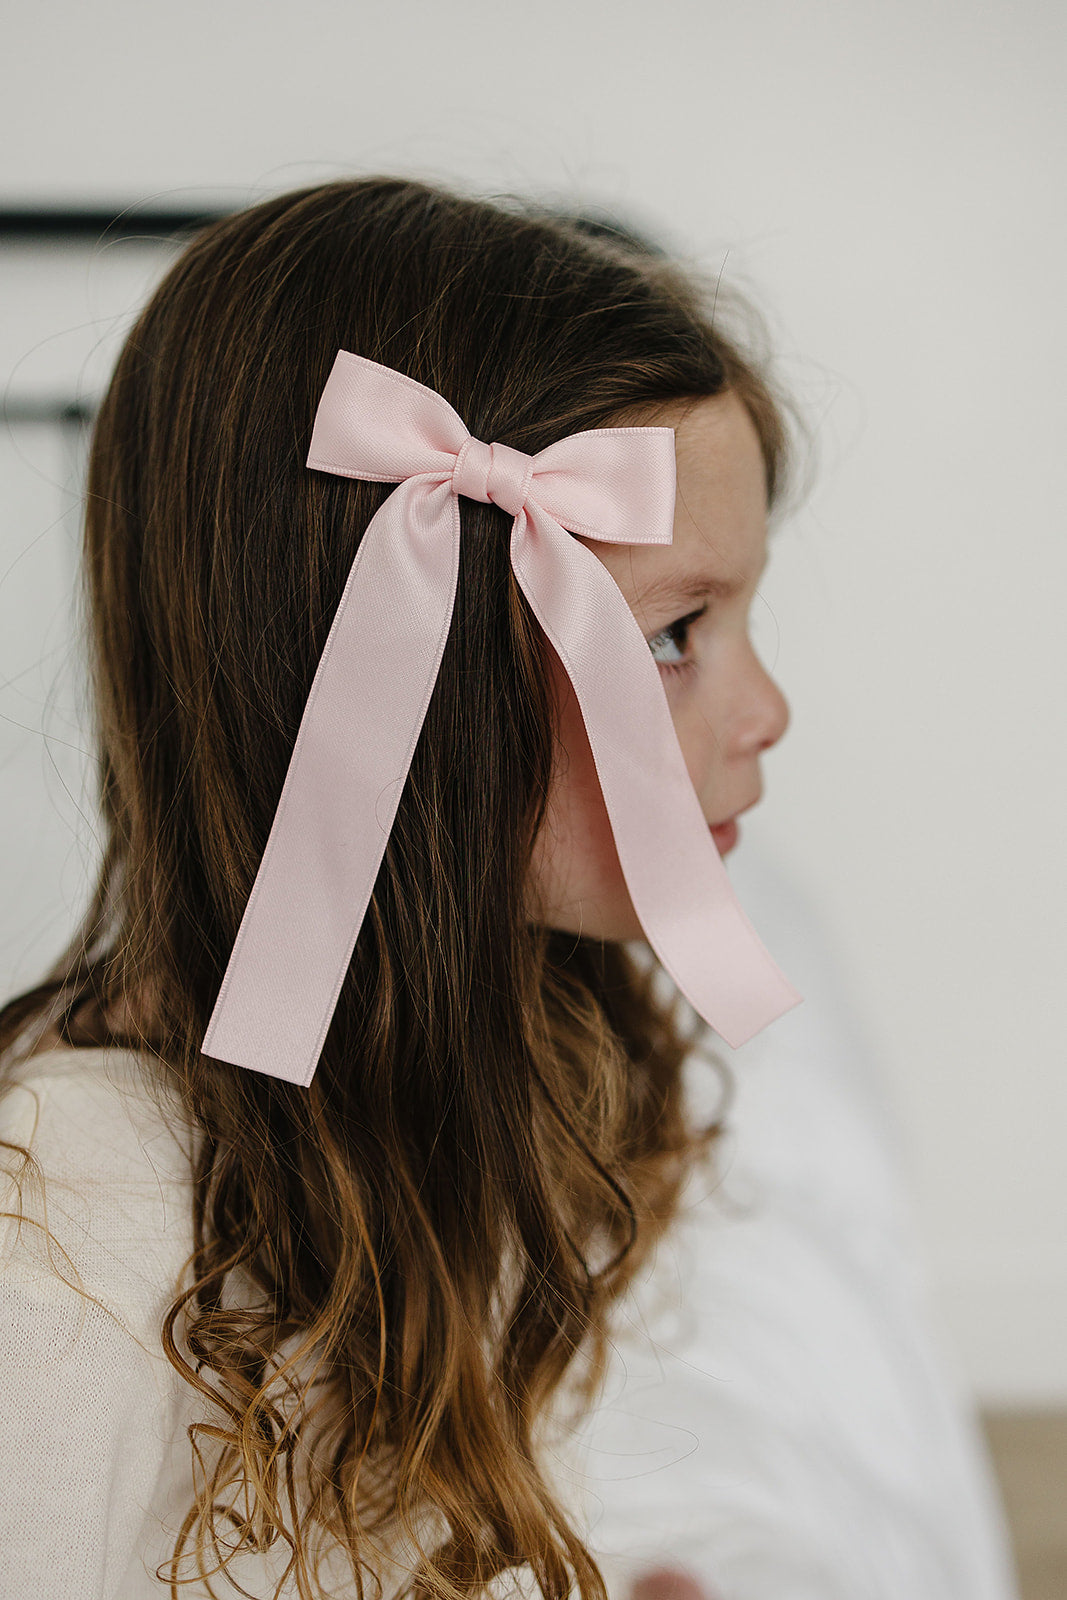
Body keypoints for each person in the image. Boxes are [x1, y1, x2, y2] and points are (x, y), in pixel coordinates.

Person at [0, 178, 1016, 1600]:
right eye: (675, 636)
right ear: (410, 685)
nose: (769, 710)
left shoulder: (469, 1102)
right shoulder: (58, 1248)